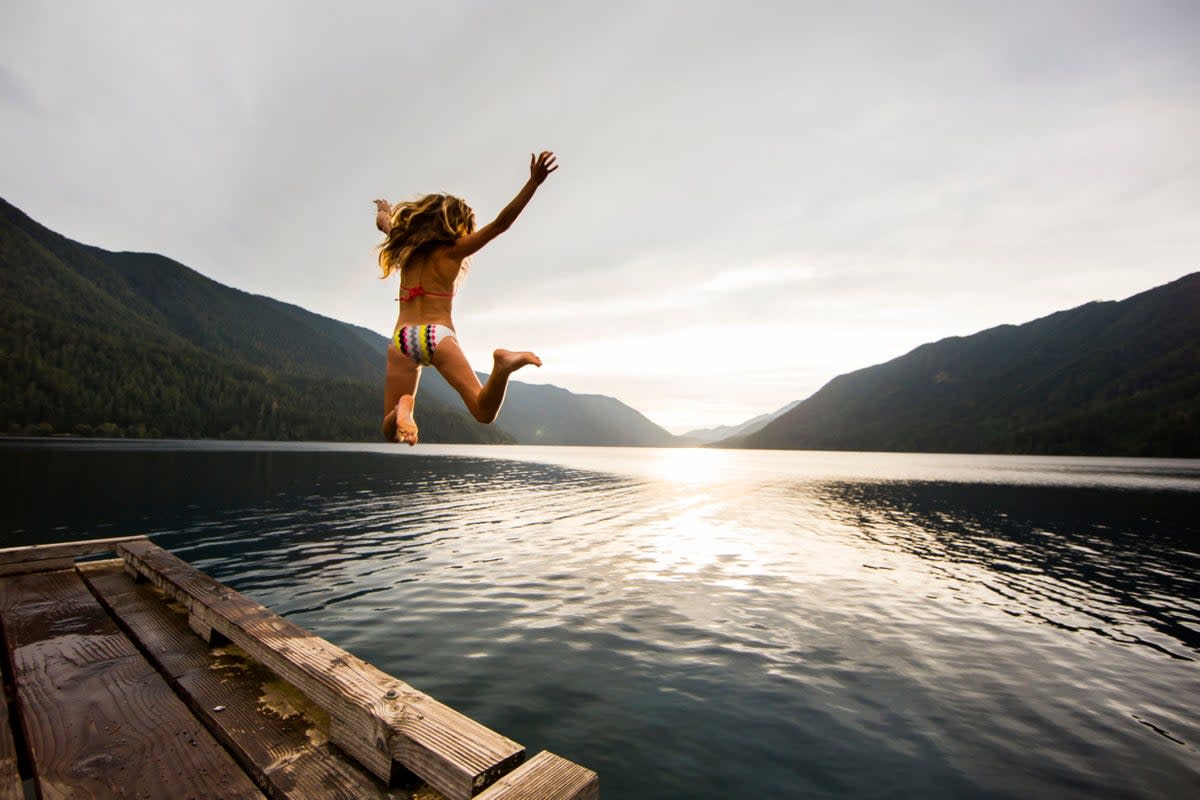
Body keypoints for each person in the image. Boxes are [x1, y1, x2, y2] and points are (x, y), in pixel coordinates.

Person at [374, 151, 558, 445]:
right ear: (456, 225)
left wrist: (387, 210)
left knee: (390, 433)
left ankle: (402, 407)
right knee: (483, 411)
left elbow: (384, 222)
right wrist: (533, 183)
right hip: (437, 336)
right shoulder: (453, 251)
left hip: (403, 338)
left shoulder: (404, 246)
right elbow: (501, 224)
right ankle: (502, 366)